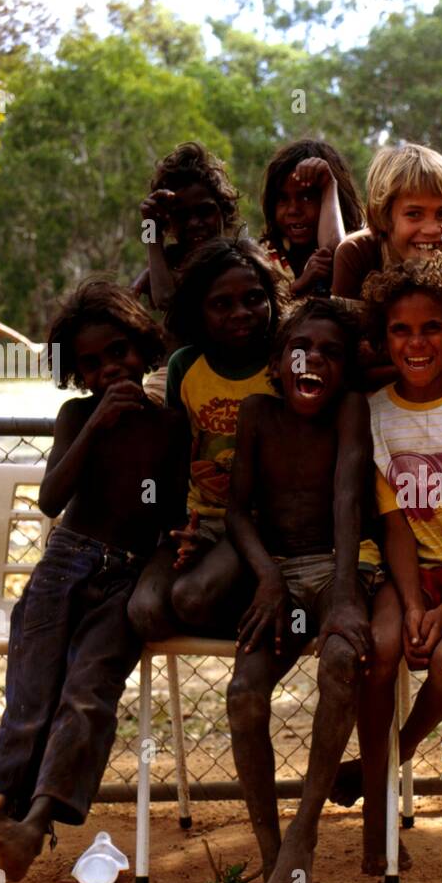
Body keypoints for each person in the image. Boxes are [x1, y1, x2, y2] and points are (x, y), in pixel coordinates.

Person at [0, 280, 188, 883]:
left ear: (142, 348)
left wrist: (179, 537)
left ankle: (31, 826)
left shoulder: (170, 426)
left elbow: (167, 510)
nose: (109, 368)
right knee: (28, 713)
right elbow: (52, 498)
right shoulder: (73, 419)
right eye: (91, 363)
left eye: (118, 352)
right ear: (75, 373)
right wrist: (93, 427)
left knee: (88, 697)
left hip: (125, 581)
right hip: (64, 570)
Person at [329, 255, 442, 875]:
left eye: (431, 328)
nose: (417, 342)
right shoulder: (376, 411)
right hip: (406, 575)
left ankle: (380, 765)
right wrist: (411, 603)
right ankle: (377, 820)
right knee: (379, 653)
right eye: (400, 331)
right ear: (382, 340)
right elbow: (395, 521)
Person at [225, 298, 379, 883]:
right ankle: (271, 857)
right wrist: (265, 576)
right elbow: (236, 511)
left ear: (345, 373)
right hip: (277, 572)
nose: (314, 359)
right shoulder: (257, 414)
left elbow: (347, 496)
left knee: (342, 659)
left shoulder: (349, 410)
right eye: (301, 348)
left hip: (341, 565)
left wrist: (343, 595)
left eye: (331, 353)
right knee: (242, 697)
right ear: (276, 362)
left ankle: (304, 839)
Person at [127, 238, 285, 642]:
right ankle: (247, 606)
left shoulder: (282, 362)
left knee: (192, 599)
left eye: (254, 298)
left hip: (259, 525)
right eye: (222, 304)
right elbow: (178, 454)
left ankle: (282, 614)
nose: (242, 313)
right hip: (201, 518)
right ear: (199, 311)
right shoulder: (186, 365)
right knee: (145, 613)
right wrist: (178, 527)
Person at [331, 143, 442, 385]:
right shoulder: (357, 253)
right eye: (414, 214)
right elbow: (345, 366)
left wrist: (381, 358)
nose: (432, 229)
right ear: (385, 215)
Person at [134, 142, 243, 403]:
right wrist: (152, 234)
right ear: (168, 221)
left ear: (222, 210)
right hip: (171, 378)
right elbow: (164, 300)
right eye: (182, 216)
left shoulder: (240, 259)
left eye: (204, 211)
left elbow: (170, 301)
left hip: (231, 374)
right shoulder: (166, 259)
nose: (195, 223)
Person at [259, 139, 364, 299]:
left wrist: (329, 185)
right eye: (283, 198)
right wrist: (301, 284)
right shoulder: (262, 258)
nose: (293, 210)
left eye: (307, 197)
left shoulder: (361, 251)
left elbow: (336, 254)